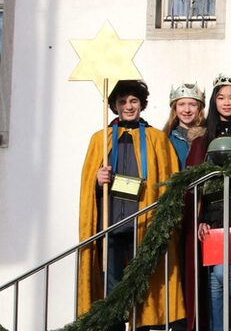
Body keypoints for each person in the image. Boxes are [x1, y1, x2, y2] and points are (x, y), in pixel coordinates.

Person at [77, 80, 186, 330]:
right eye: (123, 101)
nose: (129, 106)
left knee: (146, 289)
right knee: (113, 291)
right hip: (111, 226)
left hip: (144, 228)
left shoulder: (156, 139)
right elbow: (87, 186)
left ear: (142, 104)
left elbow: (169, 181)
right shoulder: (99, 139)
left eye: (134, 101)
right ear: (115, 106)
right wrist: (97, 180)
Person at [192, 74, 231, 331]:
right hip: (213, 215)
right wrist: (201, 218)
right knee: (215, 281)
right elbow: (200, 179)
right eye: (221, 97)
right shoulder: (204, 135)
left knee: (226, 275)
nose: (226, 103)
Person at [163, 82, 207, 171]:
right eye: (181, 104)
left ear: (199, 108)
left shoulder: (208, 136)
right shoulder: (166, 139)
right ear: (175, 108)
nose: (187, 110)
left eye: (192, 105)